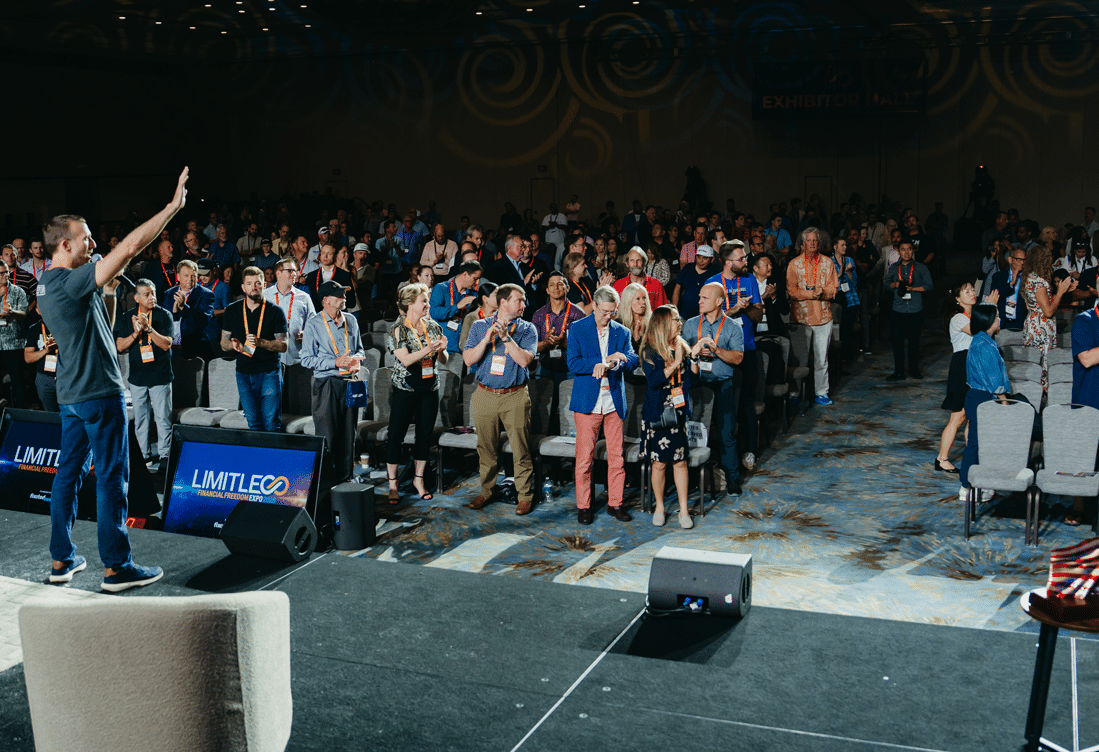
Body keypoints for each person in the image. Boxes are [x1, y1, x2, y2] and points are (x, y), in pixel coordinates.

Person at [38, 166, 188, 592]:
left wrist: (105, 281)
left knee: (67, 475)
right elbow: (132, 245)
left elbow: (93, 316)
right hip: (99, 394)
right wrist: (171, 207)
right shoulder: (70, 282)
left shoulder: (47, 286)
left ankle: (61, 560)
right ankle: (116, 567)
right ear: (65, 244)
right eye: (86, 238)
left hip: (71, 395)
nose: (94, 244)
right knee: (111, 479)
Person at [463, 283, 538, 515]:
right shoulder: (479, 326)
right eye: (519, 300)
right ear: (504, 302)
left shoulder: (528, 329)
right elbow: (468, 359)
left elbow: (524, 360)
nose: (524, 305)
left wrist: (506, 338)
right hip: (485, 394)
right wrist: (486, 338)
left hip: (514, 396)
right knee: (485, 448)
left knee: (521, 448)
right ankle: (487, 490)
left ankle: (524, 495)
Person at [568, 285, 637, 524]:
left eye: (612, 312)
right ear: (594, 307)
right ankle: (584, 506)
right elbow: (573, 364)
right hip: (588, 403)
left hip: (613, 403)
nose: (609, 316)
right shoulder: (577, 329)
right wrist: (601, 362)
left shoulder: (622, 331)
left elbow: (632, 358)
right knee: (584, 459)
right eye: (605, 311)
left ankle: (615, 503)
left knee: (616, 457)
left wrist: (619, 362)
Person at [382, 283, 448, 502]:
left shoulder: (433, 326)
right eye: (424, 301)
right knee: (395, 436)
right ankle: (393, 483)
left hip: (429, 388)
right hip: (405, 389)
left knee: (424, 436)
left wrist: (441, 351)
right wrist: (430, 348)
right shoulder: (397, 329)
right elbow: (407, 359)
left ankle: (419, 479)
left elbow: (444, 359)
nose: (428, 305)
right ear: (411, 303)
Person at [683, 283, 746, 496]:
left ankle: (732, 479)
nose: (699, 301)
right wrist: (697, 348)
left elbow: (737, 358)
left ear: (719, 301)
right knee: (692, 433)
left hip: (722, 384)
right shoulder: (690, 325)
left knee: (726, 432)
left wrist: (716, 350)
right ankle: (691, 479)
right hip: (696, 384)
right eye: (699, 297)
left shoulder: (733, 327)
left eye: (704, 298)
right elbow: (682, 356)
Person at [301, 281, 366, 484]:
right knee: (328, 435)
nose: (344, 298)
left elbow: (361, 350)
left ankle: (346, 478)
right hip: (326, 384)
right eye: (339, 296)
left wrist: (356, 359)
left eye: (344, 295)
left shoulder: (351, 320)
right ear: (326, 300)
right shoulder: (313, 323)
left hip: (349, 382)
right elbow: (306, 359)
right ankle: (326, 483)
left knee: (349, 434)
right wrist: (335, 362)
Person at [640, 305, 698, 529]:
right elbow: (654, 381)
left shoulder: (681, 345)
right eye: (675, 320)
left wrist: (692, 357)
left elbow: (692, 379)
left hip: (679, 411)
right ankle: (660, 507)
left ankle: (684, 511)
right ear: (663, 323)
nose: (679, 323)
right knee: (659, 464)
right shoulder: (650, 351)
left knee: (681, 462)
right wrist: (675, 363)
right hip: (658, 414)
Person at [113, 279, 174, 471]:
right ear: (136, 298)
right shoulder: (126, 316)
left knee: (163, 419)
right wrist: (135, 333)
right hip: (137, 378)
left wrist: (148, 328)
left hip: (160, 376)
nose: (152, 298)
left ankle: (165, 455)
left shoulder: (164, 315)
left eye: (153, 293)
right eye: (147, 294)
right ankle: (144, 455)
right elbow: (119, 347)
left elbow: (166, 344)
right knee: (141, 419)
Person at [221, 266, 288, 431]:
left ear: (264, 285)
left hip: (269, 372)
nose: (254, 287)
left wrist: (261, 342)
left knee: (271, 423)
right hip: (243, 372)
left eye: (258, 283)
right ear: (243, 287)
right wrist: (232, 345)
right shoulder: (232, 310)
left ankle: (273, 456)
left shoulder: (275, 311)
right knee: (253, 423)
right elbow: (223, 343)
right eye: (249, 283)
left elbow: (283, 345)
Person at [959, 304, 1010, 503]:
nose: (999, 320)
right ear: (989, 321)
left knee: (981, 444)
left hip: (977, 398)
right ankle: (966, 486)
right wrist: (1005, 404)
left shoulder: (981, 340)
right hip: (982, 400)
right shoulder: (985, 345)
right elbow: (995, 382)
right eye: (997, 317)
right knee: (976, 444)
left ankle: (979, 483)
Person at [786, 228, 839, 403]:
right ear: (803, 244)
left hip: (823, 317)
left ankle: (821, 392)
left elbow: (834, 288)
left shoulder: (827, 263)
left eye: (815, 240)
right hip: (801, 319)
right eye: (809, 240)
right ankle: (794, 393)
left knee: (821, 359)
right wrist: (810, 295)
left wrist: (822, 293)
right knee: (798, 358)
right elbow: (792, 291)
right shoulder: (794, 264)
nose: (813, 243)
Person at [936, 282, 979, 474]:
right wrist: (992, 308)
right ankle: (942, 458)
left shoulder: (974, 315)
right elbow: (978, 331)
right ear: (957, 298)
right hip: (962, 367)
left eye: (972, 289)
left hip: (975, 366)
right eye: (966, 291)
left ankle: (972, 459)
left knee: (972, 416)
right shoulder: (958, 319)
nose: (972, 293)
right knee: (958, 416)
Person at [1022, 244, 1076, 378]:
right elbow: (1048, 312)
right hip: (1042, 328)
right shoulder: (1039, 283)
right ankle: (1042, 393)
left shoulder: (1030, 278)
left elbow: (1034, 304)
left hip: (1032, 323)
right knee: (1043, 364)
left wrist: (1062, 292)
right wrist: (1060, 291)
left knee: (1035, 362)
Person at [883, 239, 933, 381]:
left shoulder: (921, 267)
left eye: (909, 249)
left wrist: (913, 289)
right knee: (897, 342)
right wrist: (895, 284)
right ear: (898, 251)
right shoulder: (893, 268)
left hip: (915, 309)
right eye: (903, 249)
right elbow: (886, 285)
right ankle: (898, 371)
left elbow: (929, 286)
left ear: (913, 250)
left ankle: (914, 370)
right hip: (898, 310)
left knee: (914, 342)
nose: (906, 252)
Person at [533, 271, 585, 383]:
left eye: (560, 284)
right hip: (544, 370)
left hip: (571, 371)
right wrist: (546, 343)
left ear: (567, 288)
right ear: (547, 290)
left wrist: (563, 343)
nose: (556, 287)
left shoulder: (578, 314)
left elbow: (585, 347)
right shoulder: (539, 314)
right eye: (552, 284)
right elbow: (532, 347)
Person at [264, 257, 316, 367]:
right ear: (278, 273)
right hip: (271, 360)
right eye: (290, 271)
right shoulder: (265, 296)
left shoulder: (304, 297)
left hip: (298, 360)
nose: (295, 274)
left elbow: (313, 325)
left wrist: (306, 333)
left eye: (295, 271)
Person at [163, 259, 213, 360]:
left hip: (195, 349)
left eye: (193, 275)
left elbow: (203, 321)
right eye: (186, 276)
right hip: (171, 350)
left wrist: (183, 307)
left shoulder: (206, 294)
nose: (190, 279)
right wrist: (174, 312)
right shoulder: (168, 294)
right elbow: (163, 320)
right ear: (178, 276)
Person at [430, 260, 482, 354]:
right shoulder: (441, 288)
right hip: (444, 348)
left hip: (465, 348)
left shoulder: (474, 295)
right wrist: (457, 306)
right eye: (475, 278)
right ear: (465, 274)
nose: (477, 282)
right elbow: (434, 313)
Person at [0, 262, 29, 407]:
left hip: (13, 343)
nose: (5, 275)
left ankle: (22, 413)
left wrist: (12, 312)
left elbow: (24, 315)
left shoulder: (18, 291)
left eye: (6, 272)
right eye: (1, 273)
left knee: (17, 380)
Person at [831, 235, 861, 368]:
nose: (845, 247)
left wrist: (848, 272)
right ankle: (835, 358)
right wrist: (841, 272)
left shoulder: (849, 260)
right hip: (836, 299)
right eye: (842, 245)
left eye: (845, 245)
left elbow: (854, 281)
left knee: (847, 328)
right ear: (835, 247)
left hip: (849, 298)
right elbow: (830, 281)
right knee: (837, 328)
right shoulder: (829, 262)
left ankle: (846, 358)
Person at [24, 310, 59, 411]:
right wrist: (47, 350)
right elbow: (28, 358)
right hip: (45, 379)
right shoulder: (34, 329)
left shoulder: (65, 325)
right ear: (37, 310)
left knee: (69, 413)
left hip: (65, 376)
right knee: (50, 413)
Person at [672, 243, 715, 321]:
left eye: (705, 258)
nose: (701, 261)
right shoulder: (688, 268)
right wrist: (674, 310)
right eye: (698, 257)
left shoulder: (714, 274)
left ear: (712, 259)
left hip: (704, 319)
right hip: (683, 316)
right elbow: (677, 288)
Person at [988, 246, 1028, 332]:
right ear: (1010, 260)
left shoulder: (1028, 278)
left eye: (1024, 260)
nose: (1022, 262)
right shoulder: (998, 277)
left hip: (1020, 323)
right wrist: (1011, 284)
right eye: (1018, 259)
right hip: (1001, 322)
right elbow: (994, 296)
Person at [460, 281, 498, 352]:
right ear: (485, 298)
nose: (500, 298)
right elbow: (463, 344)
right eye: (496, 295)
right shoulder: (471, 317)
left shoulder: (501, 317)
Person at [617, 282, 651, 356]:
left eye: (644, 298)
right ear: (628, 301)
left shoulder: (651, 323)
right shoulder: (619, 325)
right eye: (638, 299)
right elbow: (621, 353)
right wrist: (635, 340)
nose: (643, 302)